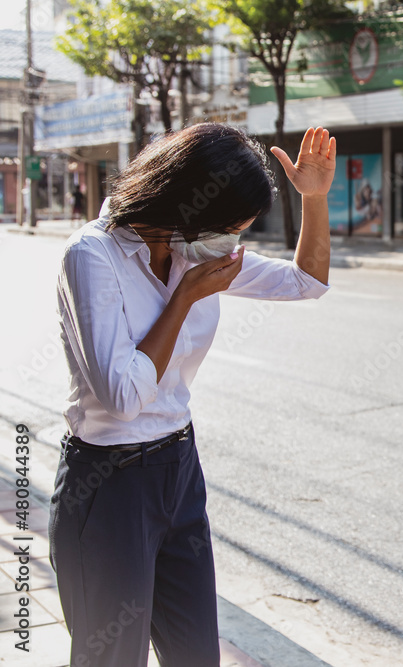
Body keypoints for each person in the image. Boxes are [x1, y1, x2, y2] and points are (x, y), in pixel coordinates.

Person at [48, 123, 336, 666]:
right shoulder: (91, 256)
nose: (231, 242)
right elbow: (124, 396)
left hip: (178, 470)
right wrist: (185, 297)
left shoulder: (193, 248)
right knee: (111, 660)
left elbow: (308, 281)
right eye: (227, 226)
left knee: (197, 656)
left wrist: (314, 201)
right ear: (185, 201)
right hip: (107, 486)